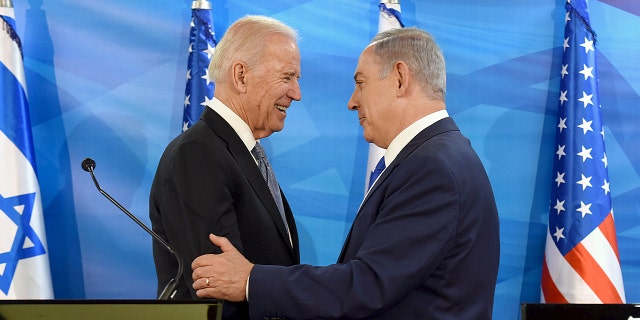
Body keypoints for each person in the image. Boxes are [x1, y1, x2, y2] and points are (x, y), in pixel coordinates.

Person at [191, 27, 500, 319]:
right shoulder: (441, 155)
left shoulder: (432, 168)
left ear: (400, 78)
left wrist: (250, 280)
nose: (352, 102)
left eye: (361, 83)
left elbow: (368, 284)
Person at [149, 15, 302, 319]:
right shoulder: (198, 155)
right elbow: (217, 294)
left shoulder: (239, 152)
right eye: (287, 77)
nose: (296, 93)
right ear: (241, 76)